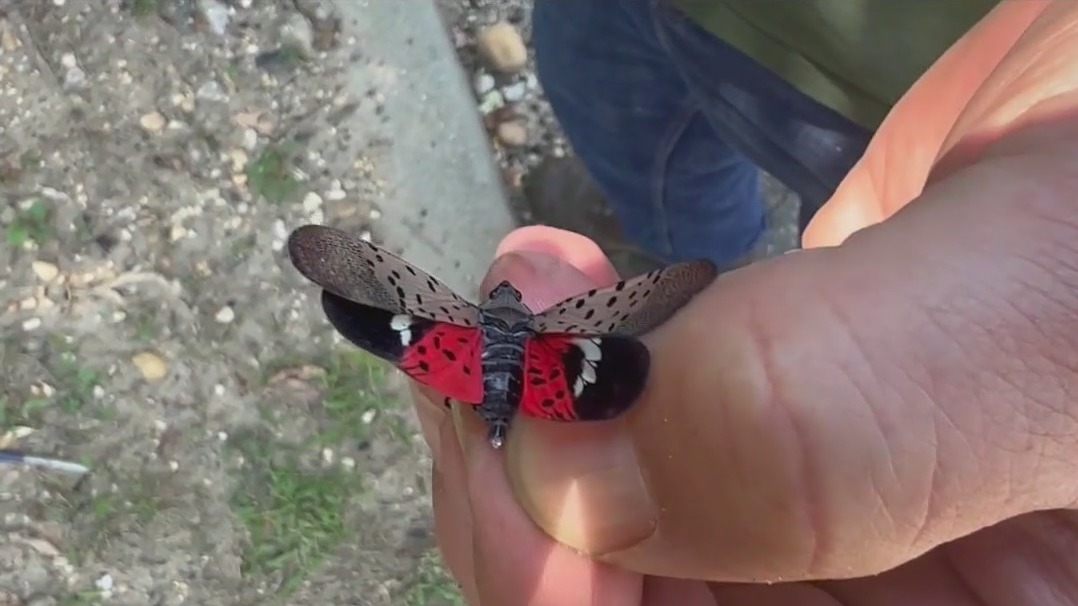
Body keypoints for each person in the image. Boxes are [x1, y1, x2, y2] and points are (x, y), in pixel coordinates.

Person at [409, 1, 1078, 604]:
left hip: (883, 80)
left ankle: (694, 279)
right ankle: (673, 251)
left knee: (852, 285)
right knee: (606, 88)